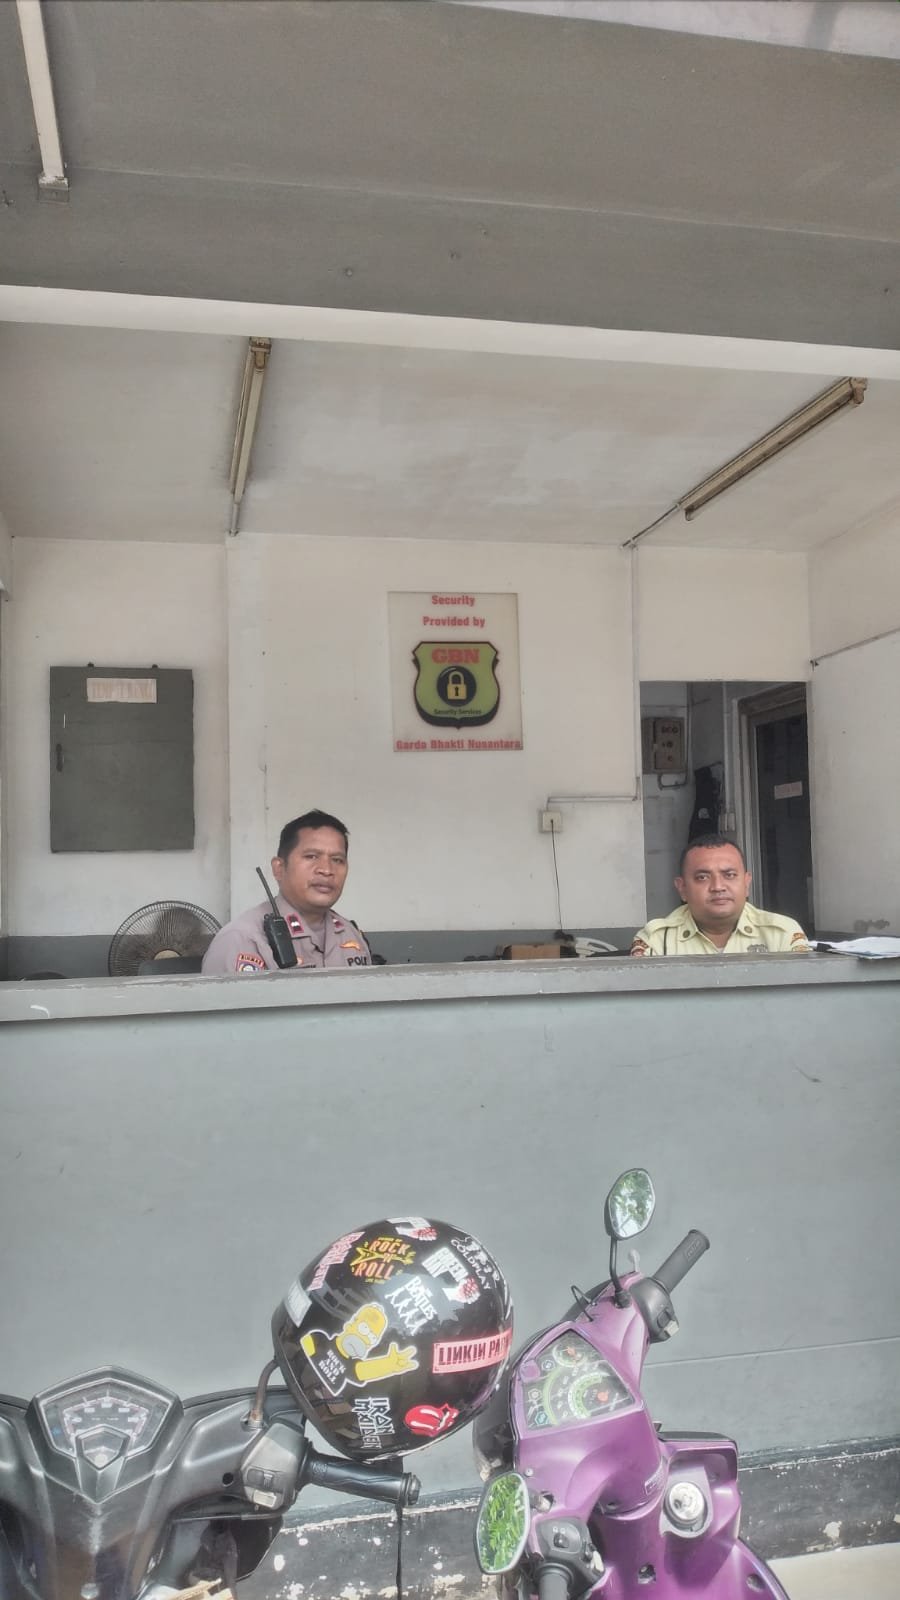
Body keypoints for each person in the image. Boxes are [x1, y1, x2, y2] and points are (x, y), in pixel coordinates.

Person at [201, 809, 372, 974]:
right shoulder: (242, 940)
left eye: (337, 860)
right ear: (279, 868)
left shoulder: (350, 934)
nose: (326, 870)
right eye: (311, 856)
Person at [630, 833, 810, 956]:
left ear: (746, 883)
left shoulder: (781, 934)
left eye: (729, 875)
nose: (718, 887)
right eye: (702, 877)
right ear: (682, 888)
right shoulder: (657, 940)